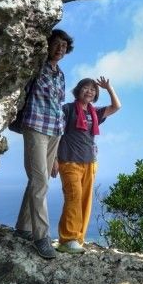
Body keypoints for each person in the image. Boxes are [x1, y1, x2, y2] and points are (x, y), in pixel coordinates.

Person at [11, 28, 73, 259]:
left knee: (40, 180)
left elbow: (58, 105)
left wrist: (57, 154)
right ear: (48, 45)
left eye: (64, 47)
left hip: (55, 130)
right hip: (35, 126)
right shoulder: (37, 68)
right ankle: (41, 237)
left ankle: (22, 227)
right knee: (40, 183)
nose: (60, 49)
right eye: (57, 44)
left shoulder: (61, 75)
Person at [54, 76, 121, 254]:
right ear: (78, 90)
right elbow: (57, 134)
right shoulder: (67, 109)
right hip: (69, 161)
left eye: (93, 89)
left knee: (84, 201)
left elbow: (116, 107)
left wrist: (109, 88)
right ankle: (67, 239)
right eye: (86, 87)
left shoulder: (95, 112)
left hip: (90, 163)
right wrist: (53, 158)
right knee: (73, 198)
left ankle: (78, 238)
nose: (89, 91)